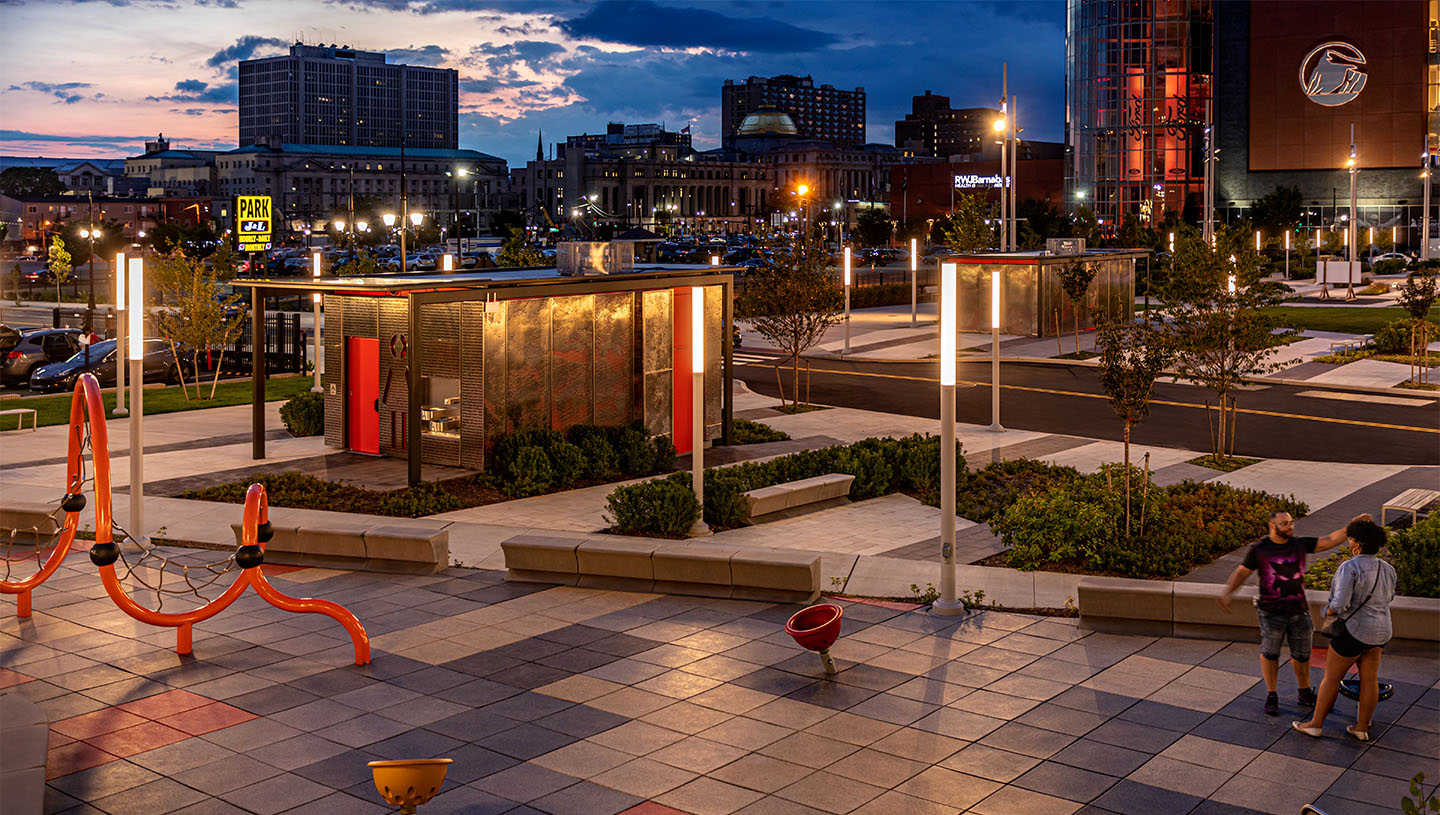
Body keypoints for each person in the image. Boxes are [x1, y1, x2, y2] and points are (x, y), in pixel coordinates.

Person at [1217, 510, 1371, 716]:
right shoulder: (1260, 550)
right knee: (1270, 653)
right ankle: (1271, 694)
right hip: (1270, 613)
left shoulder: (1299, 544)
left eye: (1291, 523)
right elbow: (1242, 572)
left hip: (1299, 611)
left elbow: (1329, 541)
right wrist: (1227, 592)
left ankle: (1304, 691)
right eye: (1284, 524)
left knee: (1302, 655)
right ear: (1272, 526)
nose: (1290, 527)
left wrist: (1353, 525)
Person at [1293, 519, 1395, 741]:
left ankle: (1315, 724)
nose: (1348, 543)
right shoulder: (1387, 569)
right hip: (1381, 632)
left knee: (1331, 677)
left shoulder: (1350, 567)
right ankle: (1361, 728)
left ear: (1357, 545)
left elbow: (1339, 604)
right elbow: (1390, 598)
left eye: (1350, 540)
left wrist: (1326, 612)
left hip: (1353, 631)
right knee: (1369, 679)